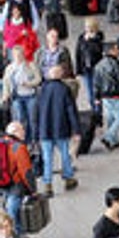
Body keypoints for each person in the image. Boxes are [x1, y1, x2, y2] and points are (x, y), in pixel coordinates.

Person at [36, 65, 79, 197]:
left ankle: (47, 185)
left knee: (47, 158)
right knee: (65, 154)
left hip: (44, 129)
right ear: (61, 75)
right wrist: (76, 129)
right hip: (61, 128)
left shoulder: (42, 89)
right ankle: (68, 178)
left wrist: (36, 130)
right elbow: (71, 110)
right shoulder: (64, 89)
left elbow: (36, 111)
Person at [93, 42, 119, 151]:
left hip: (104, 96)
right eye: (116, 49)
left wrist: (96, 97)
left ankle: (114, 140)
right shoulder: (116, 63)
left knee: (110, 118)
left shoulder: (98, 65)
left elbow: (96, 83)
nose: (118, 51)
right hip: (115, 94)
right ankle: (108, 137)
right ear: (110, 51)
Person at [0, 123, 35, 231]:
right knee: (13, 215)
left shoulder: (2, 143)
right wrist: (32, 190)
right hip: (15, 185)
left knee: (7, 210)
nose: (24, 132)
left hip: (3, 183)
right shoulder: (18, 148)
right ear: (15, 132)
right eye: (21, 130)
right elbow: (26, 172)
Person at [74, 17, 104, 116]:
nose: (87, 29)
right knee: (90, 93)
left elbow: (97, 51)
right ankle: (94, 110)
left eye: (89, 27)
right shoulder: (81, 37)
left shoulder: (98, 38)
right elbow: (78, 53)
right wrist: (78, 69)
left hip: (96, 68)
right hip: (85, 68)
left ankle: (98, 112)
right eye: (86, 27)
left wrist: (89, 41)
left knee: (97, 92)